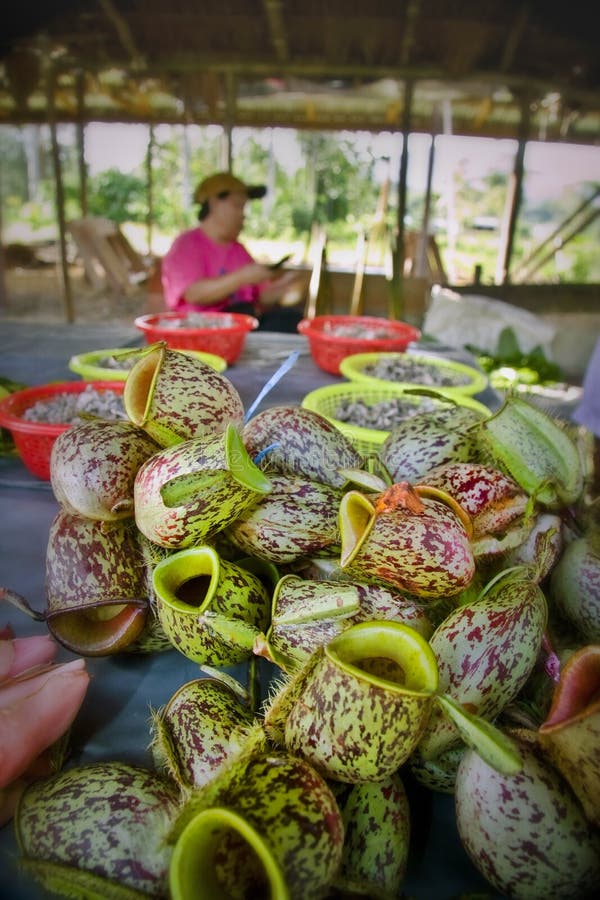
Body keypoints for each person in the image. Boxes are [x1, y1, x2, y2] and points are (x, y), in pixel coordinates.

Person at [160, 171, 306, 332]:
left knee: (291, 318)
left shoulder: (239, 250)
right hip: (202, 330)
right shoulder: (186, 245)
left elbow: (262, 298)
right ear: (214, 204)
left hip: (242, 326)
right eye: (238, 206)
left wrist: (283, 287)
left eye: (243, 208)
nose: (243, 215)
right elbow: (194, 294)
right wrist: (242, 277)